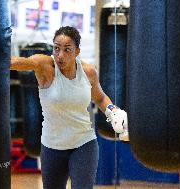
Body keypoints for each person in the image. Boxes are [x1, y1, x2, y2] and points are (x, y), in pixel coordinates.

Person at [10, 26, 129, 189]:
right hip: (52, 146)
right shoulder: (45, 66)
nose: (60, 55)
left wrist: (112, 110)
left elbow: (100, 97)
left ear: (77, 51)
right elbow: (20, 63)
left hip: (83, 144)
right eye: (56, 48)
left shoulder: (87, 72)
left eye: (67, 50)